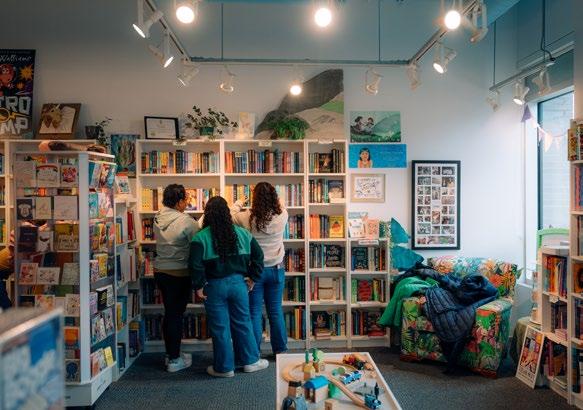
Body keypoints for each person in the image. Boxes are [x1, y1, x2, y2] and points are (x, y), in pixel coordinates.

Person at [190, 196, 268, 378]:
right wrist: (253, 279)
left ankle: (224, 368)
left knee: (220, 328)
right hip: (238, 285)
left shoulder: (200, 237)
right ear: (227, 213)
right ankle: (250, 362)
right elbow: (259, 256)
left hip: (214, 286)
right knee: (243, 322)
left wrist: (199, 286)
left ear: (207, 214)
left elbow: (195, 265)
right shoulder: (243, 234)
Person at [230, 182, 289, 355]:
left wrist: (240, 201)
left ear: (255, 199)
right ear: (274, 197)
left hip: (255, 272)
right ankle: (280, 351)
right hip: (276, 270)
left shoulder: (247, 217)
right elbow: (281, 204)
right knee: (275, 312)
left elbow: (230, 214)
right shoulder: (283, 215)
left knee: (254, 313)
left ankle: (254, 353)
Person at [153, 184, 199, 373]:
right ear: (179, 202)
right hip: (179, 272)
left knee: (169, 312)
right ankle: (174, 359)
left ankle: (171, 353)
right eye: (185, 200)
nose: (186, 203)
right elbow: (197, 243)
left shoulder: (157, 217)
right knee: (176, 315)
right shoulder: (186, 221)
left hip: (160, 271)